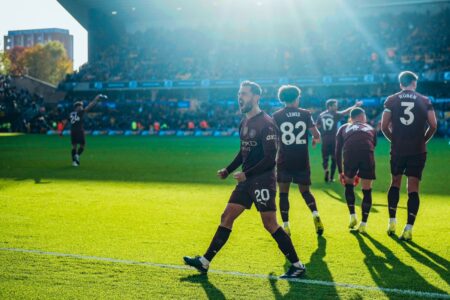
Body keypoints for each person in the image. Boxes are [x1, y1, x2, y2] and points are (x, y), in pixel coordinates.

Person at [183, 81, 306, 278]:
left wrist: (247, 174)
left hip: (263, 180)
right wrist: (228, 169)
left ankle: (297, 265)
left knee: (270, 223)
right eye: (239, 93)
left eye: (245, 94)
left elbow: (270, 159)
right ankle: (205, 262)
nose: (240, 97)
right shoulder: (244, 122)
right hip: (247, 181)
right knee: (227, 217)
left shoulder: (266, 123)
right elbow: (243, 151)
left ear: (256, 97)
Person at [381, 71, 437, 240]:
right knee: (413, 187)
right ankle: (409, 228)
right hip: (417, 150)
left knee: (395, 182)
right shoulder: (425, 100)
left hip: (398, 150)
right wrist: (423, 141)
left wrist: (395, 140)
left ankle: (392, 221)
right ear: (414, 83)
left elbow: (383, 126)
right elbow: (433, 125)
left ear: (400, 84)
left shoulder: (391, 99)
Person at [272, 85, 324, 236]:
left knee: (283, 194)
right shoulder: (306, 114)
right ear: (296, 98)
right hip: (302, 159)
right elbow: (316, 133)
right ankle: (315, 214)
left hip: (284, 159)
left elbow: (273, 138)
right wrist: (315, 139)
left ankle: (286, 225)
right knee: (305, 191)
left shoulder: (276, 116)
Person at [336, 108, 377, 233]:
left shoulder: (343, 128)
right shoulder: (370, 128)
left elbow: (337, 151)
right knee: (367, 190)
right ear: (362, 116)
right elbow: (372, 145)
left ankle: (352, 215)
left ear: (351, 117)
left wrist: (340, 171)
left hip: (350, 154)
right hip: (367, 154)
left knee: (349, 185)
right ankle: (363, 224)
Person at [316, 99, 362, 182]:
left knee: (325, 158)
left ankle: (326, 171)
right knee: (334, 159)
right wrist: (356, 105)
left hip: (325, 140)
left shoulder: (321, 115)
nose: (336, 107)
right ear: (329, 106)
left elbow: (317, 126)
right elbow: (346, 111)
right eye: (334, 105)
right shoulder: (335, 114)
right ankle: (331, 178)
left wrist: (316, 136)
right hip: (334, 140)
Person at [61, 94, 105, 166]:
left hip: (73, 131)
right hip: (79, 130)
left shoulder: (71, 114)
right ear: (77, 107)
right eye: (80, 106)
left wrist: (61, 131)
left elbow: (65, 123)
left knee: (74, 146)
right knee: (82, 146)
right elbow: (90, 106)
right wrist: (96, 99)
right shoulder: (80, 112)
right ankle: (77, 155)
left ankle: (74, 162)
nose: (81, 107)